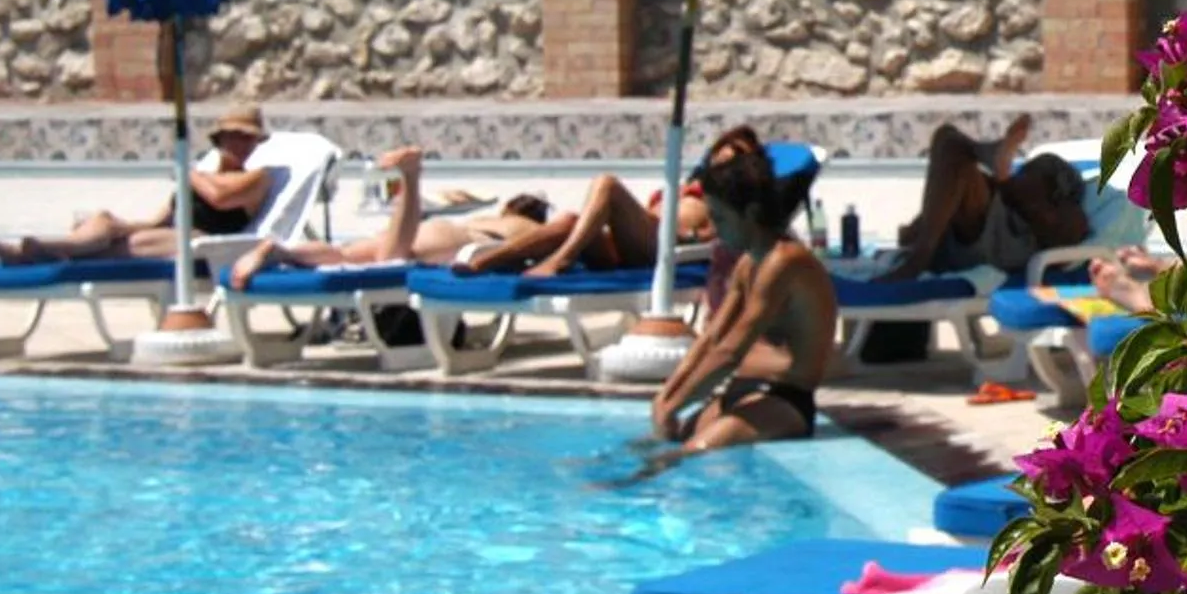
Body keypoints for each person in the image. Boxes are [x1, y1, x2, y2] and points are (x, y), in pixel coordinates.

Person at [633, 129, 840, 472]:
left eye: (720, 218)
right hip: (741, 391)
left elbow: (731, 350)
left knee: (686, 456)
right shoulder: (749, 262)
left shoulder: (784, 261)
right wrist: (667, 397)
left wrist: (675, 404)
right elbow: (712, 336)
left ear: (752, 212)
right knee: (659, 444)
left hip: (783, 400)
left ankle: (622, 496)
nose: (713, 227)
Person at [0, 105, 274, 264]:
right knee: (104, 220)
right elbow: (162, 219)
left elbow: (219, 199)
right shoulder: (201, 174)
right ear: (219, 139)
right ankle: (46, 249)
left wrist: (188, 173)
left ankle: (36, 253)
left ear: (257, 142)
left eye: (247, 137)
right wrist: (120, 225)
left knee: (134, 243)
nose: (239, 143)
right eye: (233, 135)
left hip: (207, 243)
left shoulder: (258, 176)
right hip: (173, 233)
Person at [226, 148, 554, 290]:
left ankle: (281, 251)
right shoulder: (528, 227)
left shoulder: (491, 217)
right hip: (462, 244)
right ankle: (411, 176)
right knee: (394, 259)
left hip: (439, 230)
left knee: (344, 255)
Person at [890, 113, 1090, 285]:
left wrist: (1009, 185)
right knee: (948, 139)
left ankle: (919, 257)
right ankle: (989, 156)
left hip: (1007, 242)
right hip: (996, 220)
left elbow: (1069, 237)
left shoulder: (1069, 196)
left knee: (951, 144)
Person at [449, 166, 715, 278]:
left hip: (663, 248)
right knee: (568, 221)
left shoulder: (719, 196)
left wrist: (687, 235)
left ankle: (561, 259)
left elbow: (721, 235)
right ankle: (490, 259)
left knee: (606, 183)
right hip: (629, 243)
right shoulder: (674, 190)